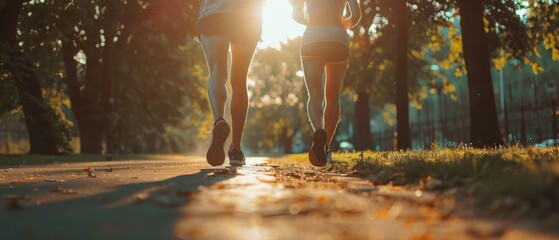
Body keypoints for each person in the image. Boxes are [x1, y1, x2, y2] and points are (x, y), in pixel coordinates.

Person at [290, 0, 361, 166]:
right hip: (338, 36)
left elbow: (296, 15)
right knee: (333, 96)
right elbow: (356, 15)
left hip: (313, 35)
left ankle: (318, 130)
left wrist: (313, 23)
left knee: (314, 94)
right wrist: (342, 24)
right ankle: (326, 146)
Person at [199, 0, 264, 166]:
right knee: (239, 81)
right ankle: (236, 150)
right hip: (247, 16)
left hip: (214, 13)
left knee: (217, 72)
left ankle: (219, 120)